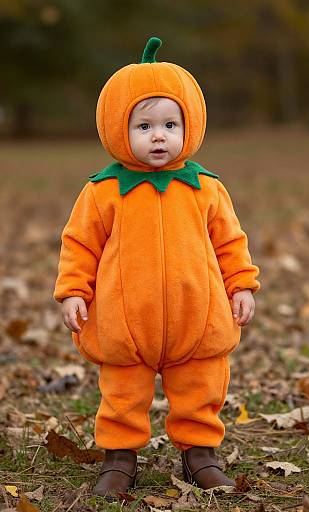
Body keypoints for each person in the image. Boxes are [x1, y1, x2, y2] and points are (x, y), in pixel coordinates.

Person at [53, 37, 260, 496]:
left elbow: (230, 240)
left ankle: (199, 455)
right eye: (143, 125)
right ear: (117, 129)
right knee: (122, 394)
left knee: (201, 388)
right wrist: (73, 290)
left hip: (197, 315)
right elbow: (79, 244)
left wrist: (242, 284)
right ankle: (120, 458)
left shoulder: (205, 187)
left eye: (170, 123)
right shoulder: (103, 190)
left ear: (190, 125)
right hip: (126, 320)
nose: (159, 135)